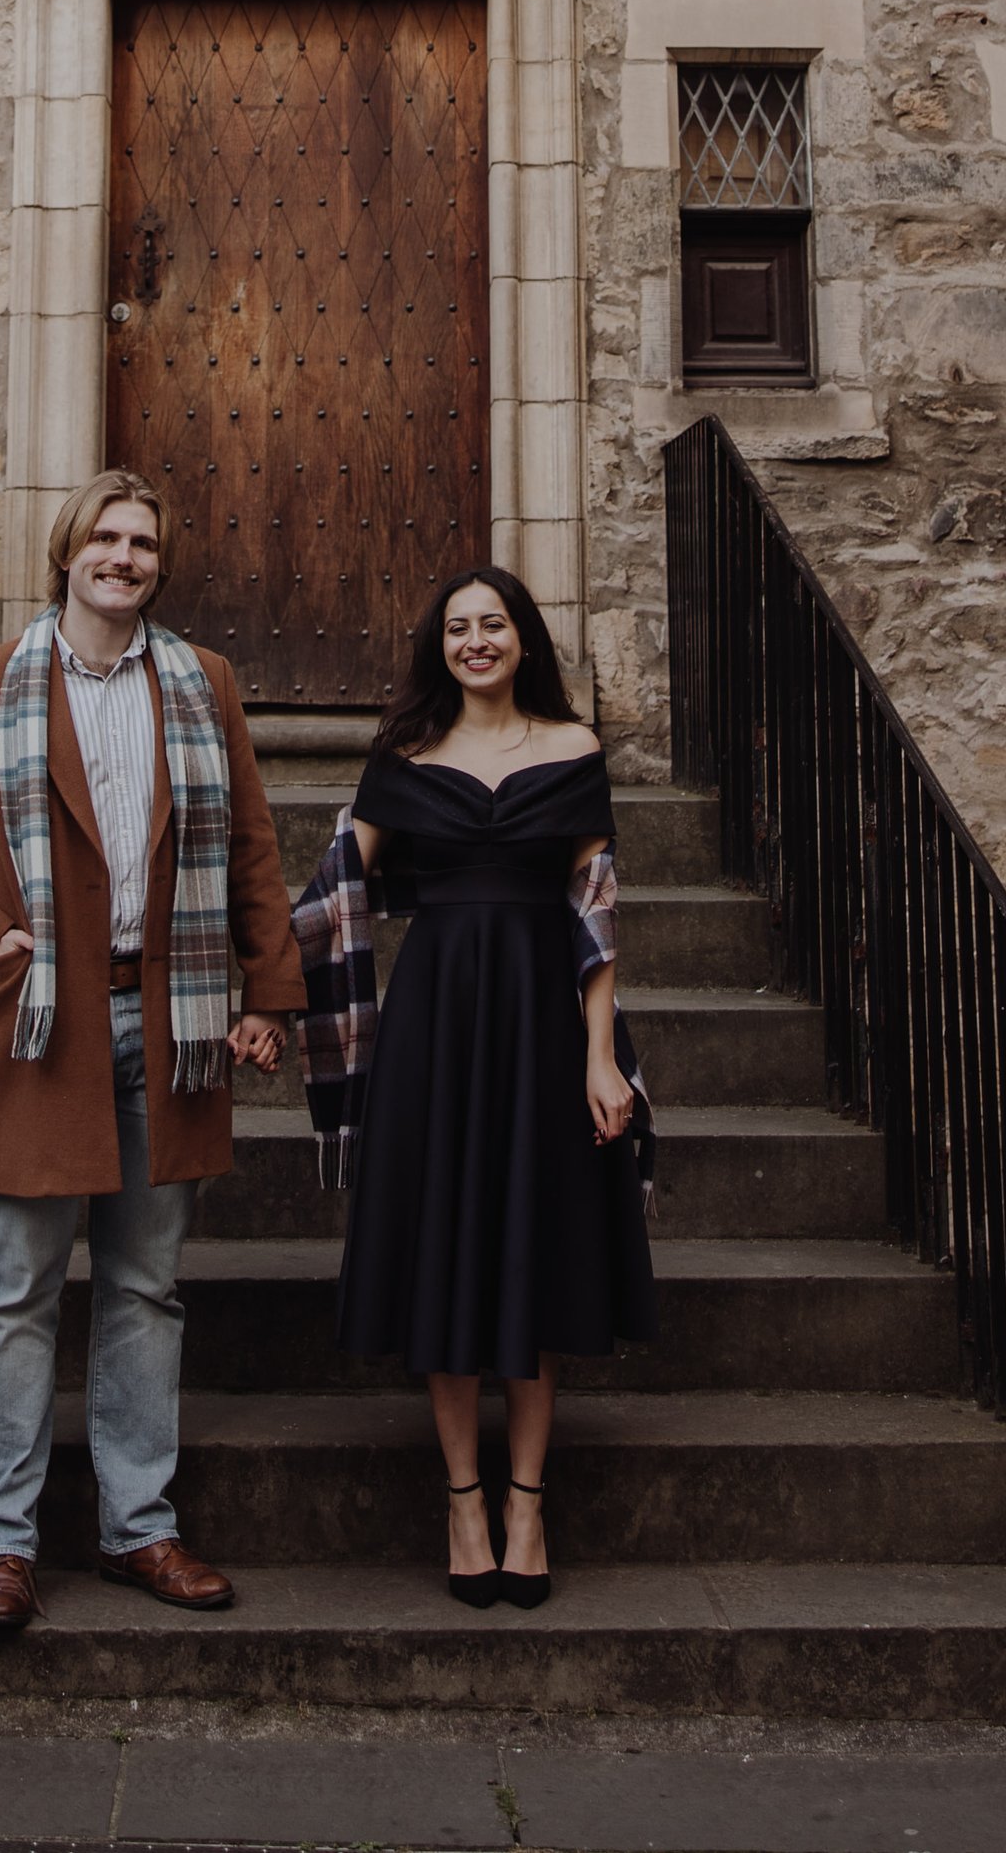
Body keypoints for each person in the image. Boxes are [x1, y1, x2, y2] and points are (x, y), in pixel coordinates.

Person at [0, 467, 303, 1632]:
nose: (123, 558)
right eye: (105, 539)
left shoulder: (202, 683)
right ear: (66, 553)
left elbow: (253, 848)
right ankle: (1, 1545)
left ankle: (140, 1529)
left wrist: (264, 990)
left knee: (144, 1286)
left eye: (143, 543)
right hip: (37, 1026)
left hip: (169, 1019)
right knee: (14, 1290)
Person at [309, 567, 654, 1606]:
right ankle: (462, 1500)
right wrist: (265, 987)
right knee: (447, 1251)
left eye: (491, 624)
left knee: (533, 1254)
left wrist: (602, 1056)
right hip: (436, 1024)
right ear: (438, 645)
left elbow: (594, 907)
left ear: (521, 638)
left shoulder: (572, 748)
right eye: (456, 626)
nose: (474, 641)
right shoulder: (404, 754)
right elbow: (338, 884)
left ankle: (527, 1503)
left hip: (544, 1017)